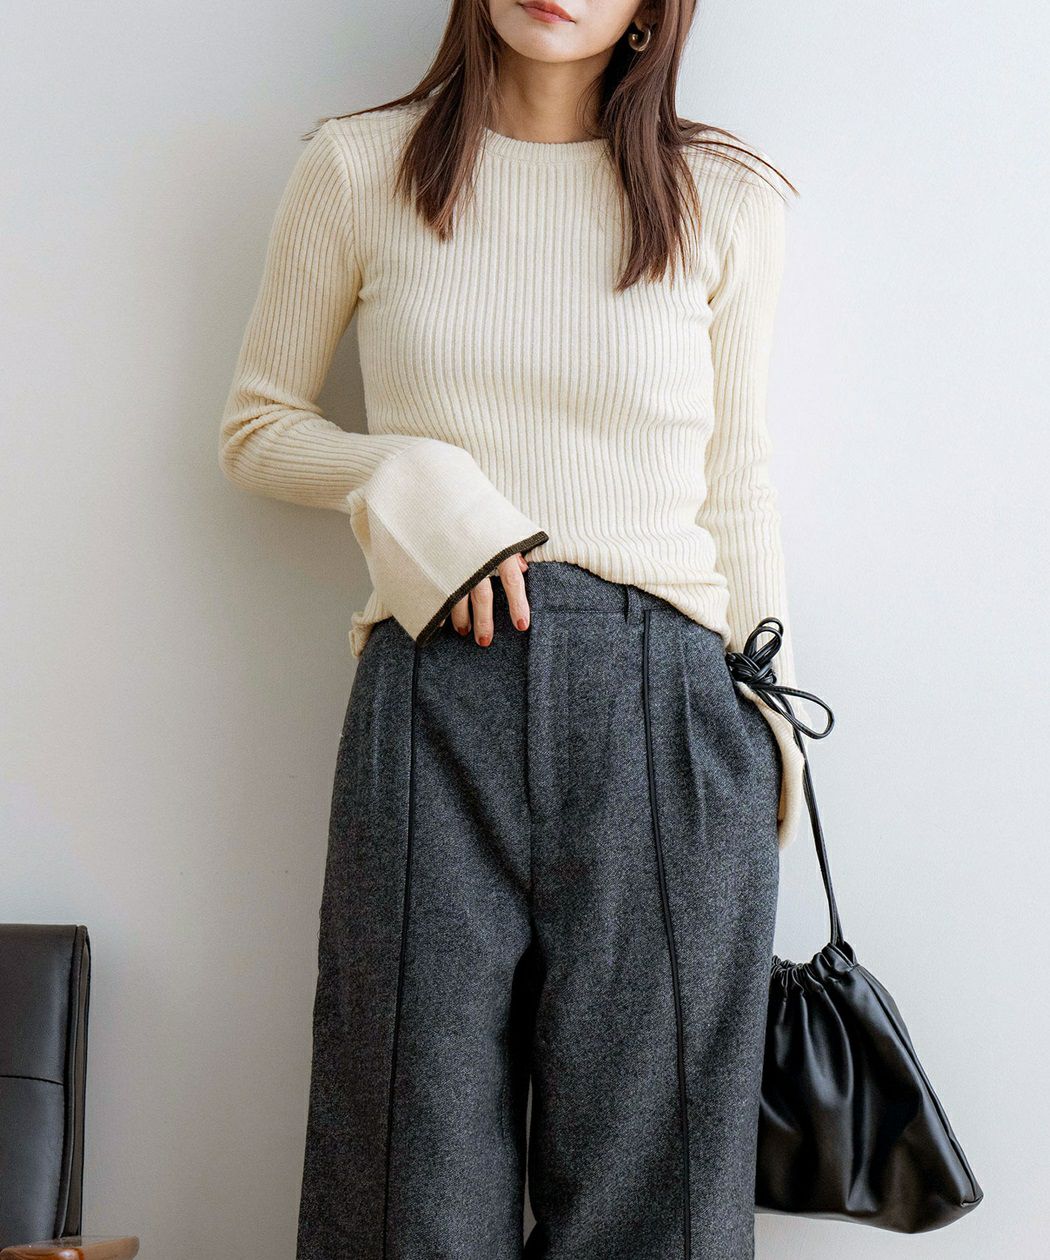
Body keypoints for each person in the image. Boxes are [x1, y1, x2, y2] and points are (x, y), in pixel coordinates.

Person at [218, 2, 813, 1255]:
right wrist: (407, 475)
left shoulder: (727, 197)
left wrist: (772, 743)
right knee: (403, 1172)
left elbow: (739, 482)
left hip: (670, 712)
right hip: (435, 693)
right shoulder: (357, 167)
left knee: (656, 1203)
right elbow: (259, 425)